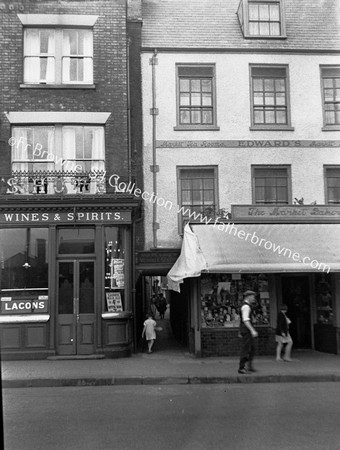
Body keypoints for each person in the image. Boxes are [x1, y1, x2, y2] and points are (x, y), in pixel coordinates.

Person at [238, 290, 258, 374]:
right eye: (252, 296)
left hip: (245, 330)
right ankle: (241, 368)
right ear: (248, 297)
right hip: (246, 331)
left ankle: (249, 366)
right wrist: (252, 330)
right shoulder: (246, 307)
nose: (254, 298)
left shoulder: (247, 306)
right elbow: (245, 320)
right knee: (245, 349)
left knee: (252, 348)